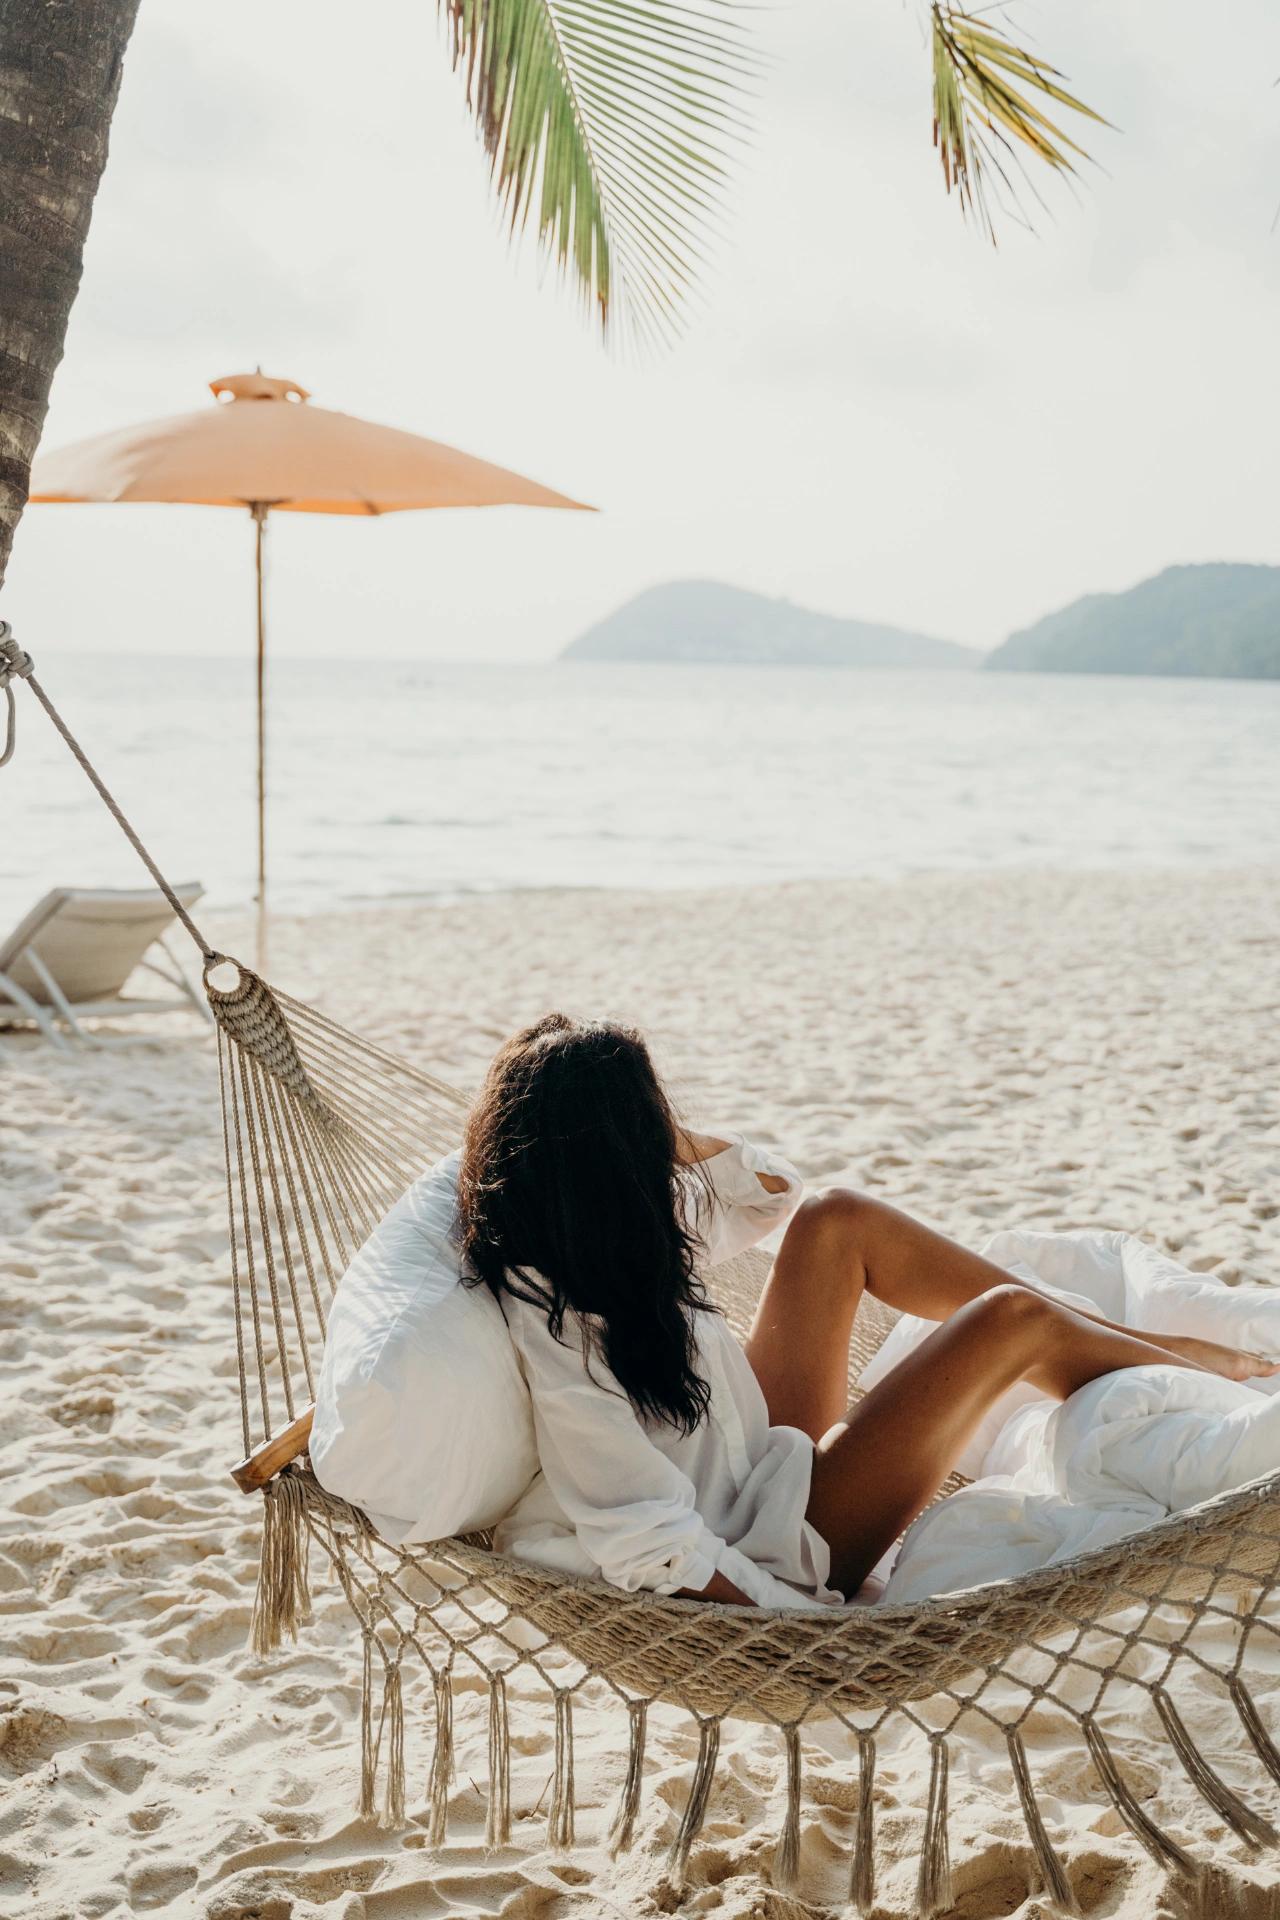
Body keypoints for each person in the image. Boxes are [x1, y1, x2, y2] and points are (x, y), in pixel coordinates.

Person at [460, 1013, 1277, 1609]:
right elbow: (641, 1538)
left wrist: (662, 1137)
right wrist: (795, 1616)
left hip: (759, 1465)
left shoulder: (606, 1233)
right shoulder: (556, 1326)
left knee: (835, 1220)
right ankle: (1210, 1383)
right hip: (782, 1545)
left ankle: (1151, 1346)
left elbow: (771, 1196)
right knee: (1011, 1320)